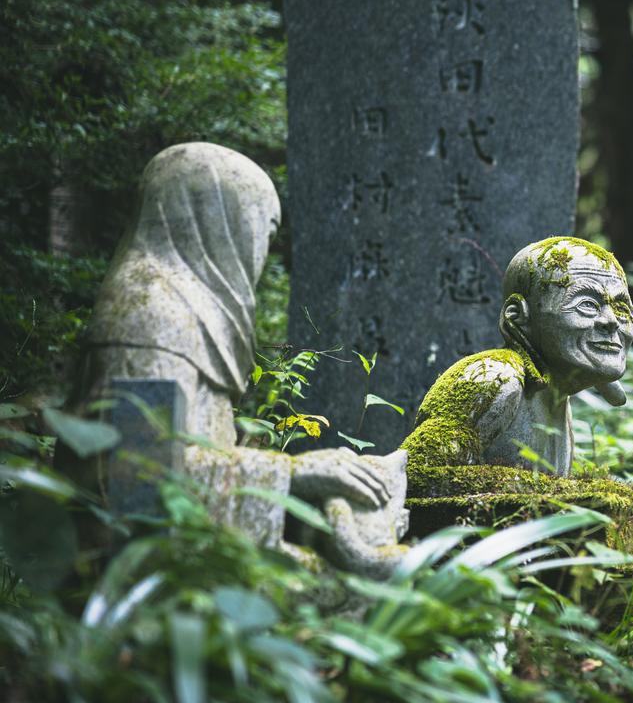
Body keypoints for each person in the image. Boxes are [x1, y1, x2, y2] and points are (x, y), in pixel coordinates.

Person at [78, 142, 396, 565]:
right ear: (218, 225)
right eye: (262, 233)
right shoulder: (152, 313)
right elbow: (140, 484)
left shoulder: (176, 310)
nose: (260, 251)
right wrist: (295, 475)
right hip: (148, 570)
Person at [401, 236, 633, 481]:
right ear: (518, 317)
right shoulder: (496, 376)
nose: (612, 321)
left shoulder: (558, 401)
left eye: (621, 308)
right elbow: (413, 479)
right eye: (587, 304)